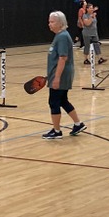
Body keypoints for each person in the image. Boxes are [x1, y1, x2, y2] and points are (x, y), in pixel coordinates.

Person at [43, 10, 86, 139]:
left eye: (52, 21)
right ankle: (78, 124)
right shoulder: (60, 35)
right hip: (59, 74)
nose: (49, 24)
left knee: (54, 101)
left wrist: (56, 78)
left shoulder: (62, 37)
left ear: (60, 23)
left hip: (61, 76)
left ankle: (57, 131)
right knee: (62, 100)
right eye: (49, 21)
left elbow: (63, 58)